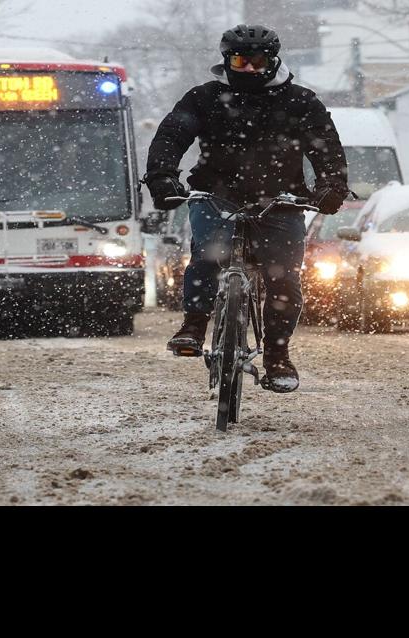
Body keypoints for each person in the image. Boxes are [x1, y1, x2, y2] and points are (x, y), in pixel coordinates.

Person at [144, 24, 349, 393]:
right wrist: (162, 177)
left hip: (280, 202)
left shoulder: (300, 102)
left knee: (283, 277)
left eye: (258, 61)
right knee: (206, 258)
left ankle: (277, 356)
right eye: (240, 61)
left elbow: (326, 147)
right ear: (227, 61)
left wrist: (331, 186)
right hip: (215, 195)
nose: (250, 69)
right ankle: (193, 326)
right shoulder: (204, 98)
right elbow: (171, 137)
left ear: (273, 61)